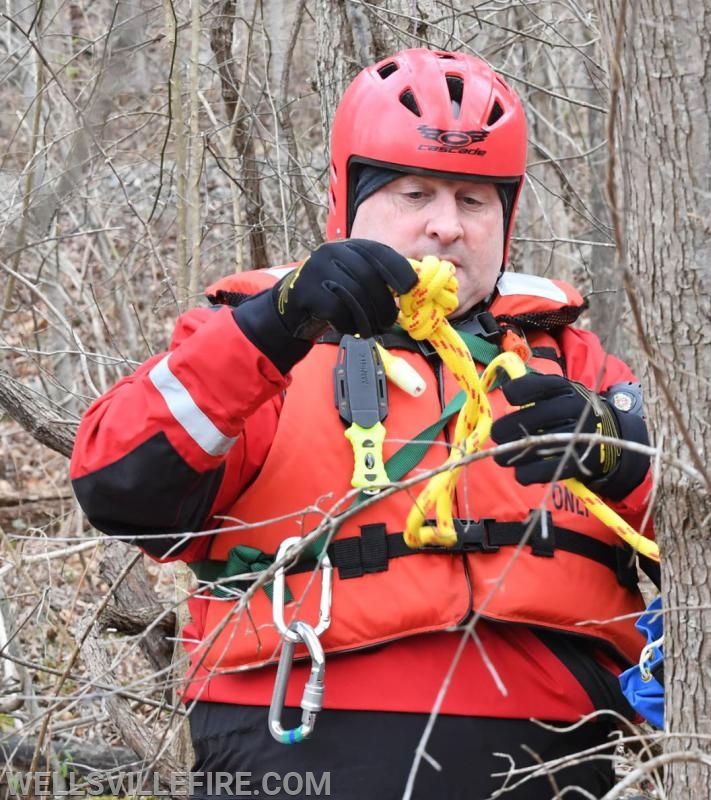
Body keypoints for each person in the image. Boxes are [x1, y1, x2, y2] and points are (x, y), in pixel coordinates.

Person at [70, 48, 654, 799]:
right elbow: (117, 486)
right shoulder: (258, 344)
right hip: (302, 734)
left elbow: (691, 534)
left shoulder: (576, 362)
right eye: (415, 193)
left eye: (473, 201)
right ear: (345, 200)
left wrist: (623, 456)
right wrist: (268, 330)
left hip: (553, 748)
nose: (445, 227)